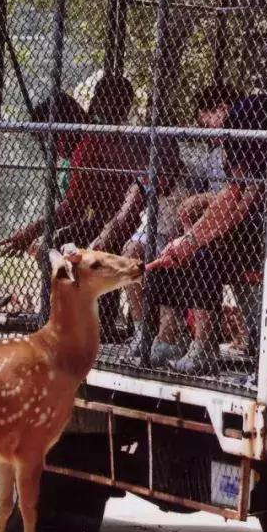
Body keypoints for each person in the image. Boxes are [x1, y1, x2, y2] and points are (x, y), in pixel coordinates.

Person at [91, 84, 239, 357]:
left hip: (185, 234)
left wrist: (186, 228)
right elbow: (123, 216)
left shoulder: (193, 173)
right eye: (151, 163)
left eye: (163, 159)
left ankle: (171, 334)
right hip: (156, 232)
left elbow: (210, 208)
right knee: (131, 251)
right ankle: (142, 329)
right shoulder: (145, 179)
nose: (156, 171)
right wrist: (95, 244)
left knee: (172, 254)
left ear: (174, 156)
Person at [145, 93, 267, 376]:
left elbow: (243, 201)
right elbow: (233, 193)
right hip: (238, 222)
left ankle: (204, 348)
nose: (210, 133)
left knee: (202, 254)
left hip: (262, 224)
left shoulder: (249, 128)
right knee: (170, 251)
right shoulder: (225, 146)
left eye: (211, 123)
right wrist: (186, 238)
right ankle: (170, 336)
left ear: (224, 109)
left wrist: (194, 237)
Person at [0, 74, 138, 255]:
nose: (54, 149)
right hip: (106, 218)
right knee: (59, 243)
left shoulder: (88, 145)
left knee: (57, 248)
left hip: (121, 221)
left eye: (53, 139)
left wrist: (31, 231)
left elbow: (73, 208)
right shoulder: (91, 137)